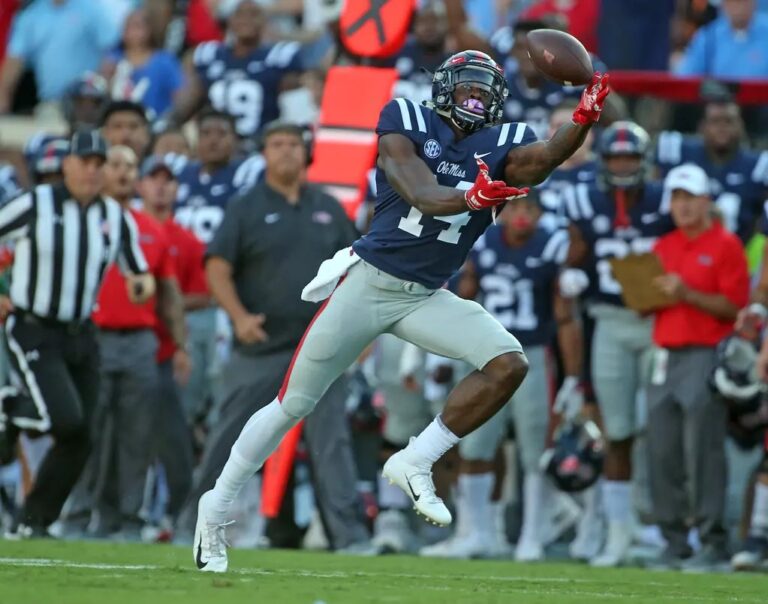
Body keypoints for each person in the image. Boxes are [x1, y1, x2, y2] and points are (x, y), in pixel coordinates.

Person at [193, 49, 610, 572]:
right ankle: (217, 505)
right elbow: (420, 190)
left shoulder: (503, 142)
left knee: (509, 363)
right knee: (291, 404)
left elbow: (545, 158)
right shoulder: (405, 119)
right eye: (467, 89)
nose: (475, 99)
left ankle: (416, 458)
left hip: (425, 295)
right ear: (444, 89)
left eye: (485, 92)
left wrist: (584, 115)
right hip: (368, 285)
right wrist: (474, 198)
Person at [179, 120, 371, 552]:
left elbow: (357, 268)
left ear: (307, 154)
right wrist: (239, 317)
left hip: (319, 346)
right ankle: (190, 524)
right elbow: (217, 267)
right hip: (259, 344)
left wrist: (358, 329)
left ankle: (350, 536)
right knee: (227, 435)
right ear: (263, 154)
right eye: (276, 144)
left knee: (331, 442)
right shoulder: (245, 207)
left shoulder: (328, 207)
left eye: (293, 144)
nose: (285, 151)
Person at [0, 130, 151, 538]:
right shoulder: (35, 204)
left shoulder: (115, 217)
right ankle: (10, 407)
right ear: (65, 165)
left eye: (98, 163)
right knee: (65, 420)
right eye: (84, 161)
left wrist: (142, 285)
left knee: (83, 435)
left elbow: (137, 270)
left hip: (81, 334)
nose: (91, 170)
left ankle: (33, 521)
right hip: (33, 326)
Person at [422, 190, 581, 562]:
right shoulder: (483, 240)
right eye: (516, 207)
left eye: (530, 208)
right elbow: (464, 299)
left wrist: (573, 376)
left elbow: (565, 317)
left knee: (534, 452)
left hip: (532, 355)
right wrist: (446, 352)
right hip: (484, 354)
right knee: (475, 446)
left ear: (541, 214)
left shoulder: (552, 246)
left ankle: (532, 535)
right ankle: (477, 533)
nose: (522, 214)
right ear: (504, 212)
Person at [565, 121, 675, 567]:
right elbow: (571, 257)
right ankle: (617, 532)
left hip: (657, 322)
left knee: (660, 427)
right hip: (608, 319)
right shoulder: (584, 201)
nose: (624, 166)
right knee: (618, 431)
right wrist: (570, 273)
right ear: (603, 162)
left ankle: (658, 526)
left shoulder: (667, 199)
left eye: (631, 158)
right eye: (616, 158)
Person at [647, 163, 749, 570]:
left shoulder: (726, 244)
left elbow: (733, 307)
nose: (683, 205)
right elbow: (649, 306)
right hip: (663, 354)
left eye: (690, 197)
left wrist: (685, 293)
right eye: (676, 198)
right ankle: (675, 542)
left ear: (707, 200)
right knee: (661, 452)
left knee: (704, 454)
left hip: (705, 353)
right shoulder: (663, 246)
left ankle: (713, 541)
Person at [89, 145, 187, 538]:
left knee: (137, 436)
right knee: (89, 433)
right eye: (115, 165)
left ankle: (130, 519)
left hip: (140, 341)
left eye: (130, 167)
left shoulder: (150, 228)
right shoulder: (82, 220)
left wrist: (180, 345)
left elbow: (170, 294)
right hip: (91, 338)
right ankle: (83, 515)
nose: (124, 173)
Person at [138, 155, 197, 537]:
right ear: (141, 185)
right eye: (153, 178)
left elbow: (202, 296)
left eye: (168, 180)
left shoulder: (187, 241)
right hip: (127, 343)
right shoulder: (124, 228)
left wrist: (180, 345)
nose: (161, 186)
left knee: (175, 438)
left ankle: (177, 515)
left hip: (165, 352)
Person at [169, 0, 303, 143]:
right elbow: (185, 105)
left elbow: (294, 111)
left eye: (253, 14)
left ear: (264, 18)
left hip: (260, 145)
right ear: (229, 19)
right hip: (216, 145)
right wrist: (167, 124)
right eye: (239, 14)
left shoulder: (280, 56)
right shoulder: (209, 55)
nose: (246, 20)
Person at [656, 99, 768, 243]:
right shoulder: (680, 152)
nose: (722, 127)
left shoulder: (759, 164)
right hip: (686, 253)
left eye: (728, 121)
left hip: (741, 251)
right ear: (702, 126)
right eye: (715, 121)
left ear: (741, 125)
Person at [0, 0, 120, 111]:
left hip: (87, 102)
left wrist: (102, 86)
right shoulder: (33, 14)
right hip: (50, 103)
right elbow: (15, 59)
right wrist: (3, 96)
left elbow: (111, 50)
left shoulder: (91, 9)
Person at [173, 109, 264, 244]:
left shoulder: (246, 172)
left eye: (222, 134)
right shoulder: (180, 172)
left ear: (235, 140)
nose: (213, 140)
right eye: (206, 133)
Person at [101, 7, 186, 118]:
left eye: (138, 26)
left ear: (149, 29)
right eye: (128, 26)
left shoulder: (165, 61)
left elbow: (179, 95)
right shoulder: (112, 59)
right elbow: (101, 91)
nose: (133, 32)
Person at [676, 0, 768, 79]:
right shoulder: (709, 37)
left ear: (754, 3)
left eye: (742, 1)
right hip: (718, 99)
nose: (738, 7)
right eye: (732, 2)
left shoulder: (765, 32)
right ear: (723, 5)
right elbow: (686, 78)